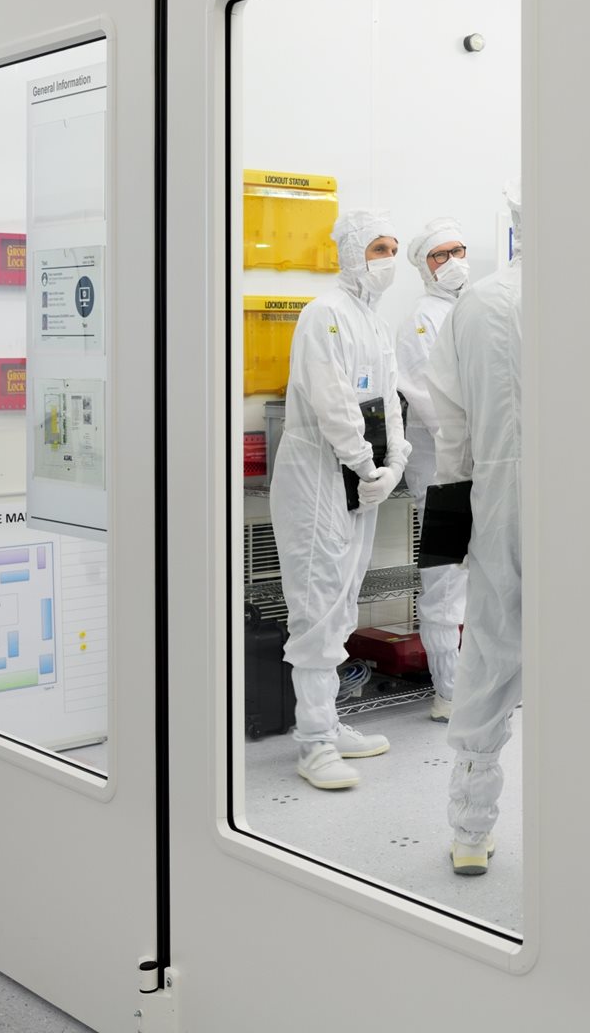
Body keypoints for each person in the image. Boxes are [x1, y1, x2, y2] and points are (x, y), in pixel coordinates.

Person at [271, 210, 406, 790]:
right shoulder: (324, 314)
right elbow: (333, 405)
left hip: (360, 475)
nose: (389, 260)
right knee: (317, 602)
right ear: (352, 253)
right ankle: (314, 742)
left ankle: (330, 720)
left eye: (395, 249)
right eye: (380, 248)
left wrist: (393, 464)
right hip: (319, 473)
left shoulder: (374, 321)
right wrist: (364, 461)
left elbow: (388, 400)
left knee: (345, 598)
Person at [426, 194, 523, 876]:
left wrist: (459, 512)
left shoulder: (479, 304)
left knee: (489, 654)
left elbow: (451, 427)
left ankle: (469, 830)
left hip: (500, 500)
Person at [396, 218, 471, 723]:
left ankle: (479, 685)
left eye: (458, 251)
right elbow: (432, 402)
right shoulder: (421, 320)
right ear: (423, 267)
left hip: (481, 466)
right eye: (439, 255)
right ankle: (448, 691)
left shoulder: (476, 311)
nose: (452, 263)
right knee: (446, 579)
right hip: (445, 473)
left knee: (488, 580)